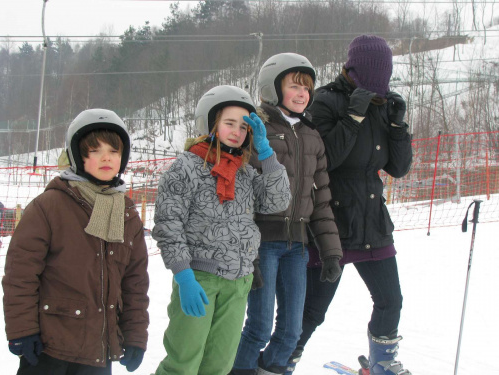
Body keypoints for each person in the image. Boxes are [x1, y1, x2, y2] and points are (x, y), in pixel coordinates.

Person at [286, 35, 413, 375]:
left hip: (373, 221)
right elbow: (324, 159)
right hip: (333, 224)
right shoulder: (326, 101)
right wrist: (353, 118)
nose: (379, 87)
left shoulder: (382, 105)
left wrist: (399, 127)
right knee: (312, 311)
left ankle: (382, 362)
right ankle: (280, 362)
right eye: (374, 77)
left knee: (390, 301)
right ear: (355, 70)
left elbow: (398, 168)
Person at [152, 85, 291, 375]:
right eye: (229, 123)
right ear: (211, 122)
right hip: (199, 280)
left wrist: (266, 153)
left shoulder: (245, 171)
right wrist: (184, 276)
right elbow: (169, 225)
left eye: (244, 127)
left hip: (238, 281)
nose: (237, 131)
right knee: (183, 363)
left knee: (219, 365)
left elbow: (278, 201)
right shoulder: (185, 167)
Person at [2, 109, 150, 375]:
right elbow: (20, 274)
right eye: (95, 150)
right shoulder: (49, 207)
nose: (106, 157)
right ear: (77, 156)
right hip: (49, 347)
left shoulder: (127, 216)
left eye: (114, 151)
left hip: (98, 351)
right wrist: (23, 330)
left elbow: (135, 282)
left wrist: (136, 335)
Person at [230, 53, 343, 375]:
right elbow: (243, 195)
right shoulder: (257, 130)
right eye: (294, 86)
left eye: (307, 88)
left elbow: (321, 200)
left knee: (291, 331)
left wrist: (331, 253)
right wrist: (247, 251)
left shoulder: (312, 136)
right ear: (273, 88)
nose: (302, 94)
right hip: (263, 243)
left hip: (298, 246)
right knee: (259, 327)